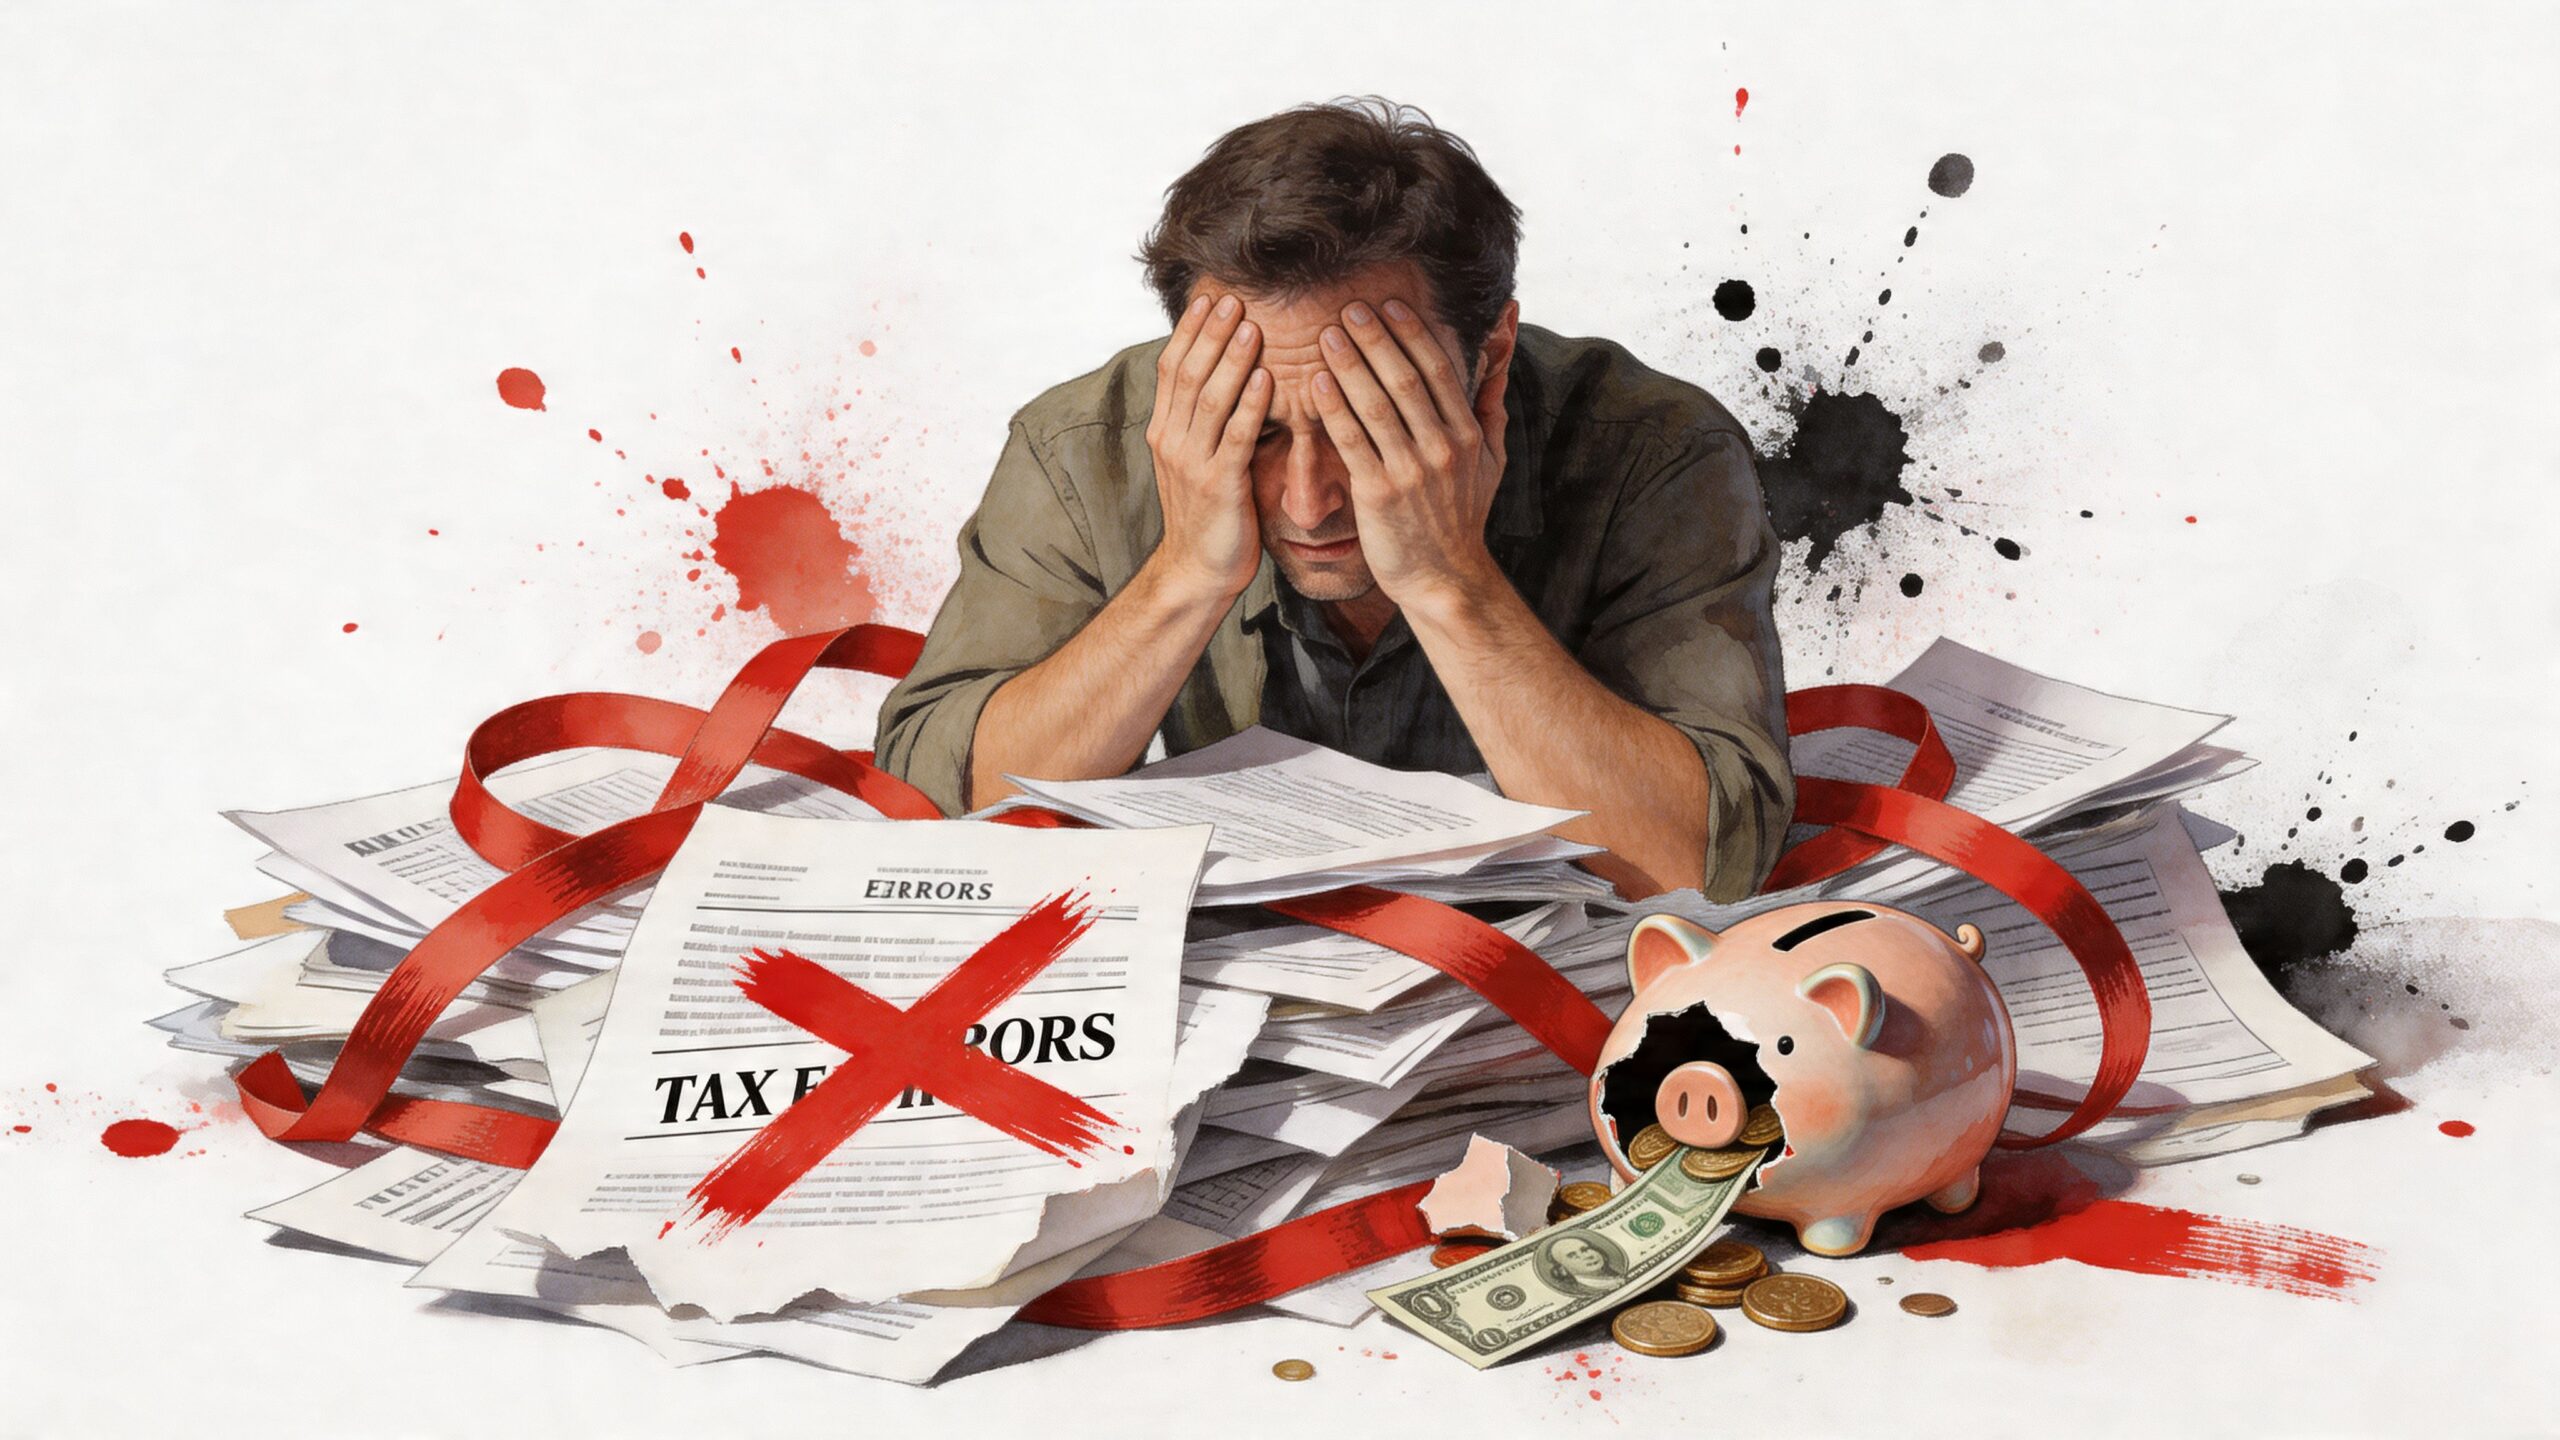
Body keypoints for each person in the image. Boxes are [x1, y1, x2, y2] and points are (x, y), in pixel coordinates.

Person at [875, 98, 1792, 901]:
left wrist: (1448, 580)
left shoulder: (1657, 454)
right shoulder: (1081, 448)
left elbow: (1706, 864)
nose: (1310, 503)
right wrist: (1185, 576)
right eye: (1257, 432)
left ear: (1490, 358)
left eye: (1369, 423)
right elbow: (935, 801)